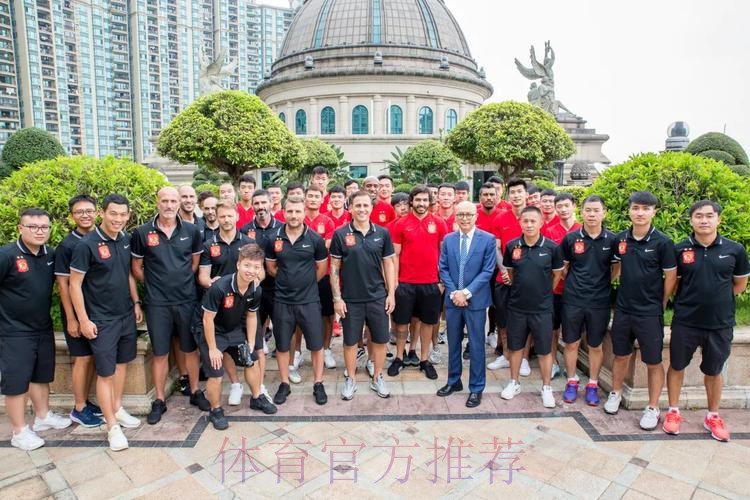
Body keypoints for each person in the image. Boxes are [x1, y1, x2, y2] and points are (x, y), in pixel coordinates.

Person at [663, 200, 749, 441]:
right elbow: (674, 282)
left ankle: (712, 415)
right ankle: (673, 412)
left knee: (714, 370)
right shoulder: (680, 249)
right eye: (698, 216)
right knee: (677, 365)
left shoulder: (734, 250)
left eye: (709, 216)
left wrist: (716, 299)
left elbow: (739, 285)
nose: (704, 220)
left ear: (718, 219)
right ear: (691, 220)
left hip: (719, 323)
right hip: (686, 321)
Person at [69, 194, 143, 451]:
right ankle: (111, 426)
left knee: (122, 365)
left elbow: (128, 274)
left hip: (125, 315)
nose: (118, 219)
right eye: (113, 213)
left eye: (123, 214)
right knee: (106, 372)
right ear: (102, 213)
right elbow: (74, 285)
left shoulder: (125, 239)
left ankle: (117, 408)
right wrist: (83, 319)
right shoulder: (86, 245)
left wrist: (135, 302)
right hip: (101, 320)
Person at [131, 187, 209, 425]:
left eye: (173, 201)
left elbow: (194, 264)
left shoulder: (192, 231)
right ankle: (159, 399)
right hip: (157, 304)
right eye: (164, 200)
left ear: (178, 203)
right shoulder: (142, 232)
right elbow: (136, 268)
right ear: (157, 202)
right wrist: (156, 285)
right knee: (160, 352)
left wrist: (180, 281)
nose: (169, 205)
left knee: (190, 349)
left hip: (186, 300)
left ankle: (195, 391)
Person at [1, 208, 71, 451]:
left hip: (42, 326)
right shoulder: (7, 255)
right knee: (17, 382)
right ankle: (19, 431)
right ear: (20, 228)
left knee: (41, 375)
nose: (40, 231)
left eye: (44, 227)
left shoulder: (50, 254)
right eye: (33, 227)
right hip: (13, 331)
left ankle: (42, 417)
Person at [607, 191, 677, 431]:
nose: (640, 213)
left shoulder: (663, 242)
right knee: (620, 355)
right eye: (636, 208)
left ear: (653, 212)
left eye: (645, 209)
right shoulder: (621, 239)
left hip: (649, 312)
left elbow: (670, 277)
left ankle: (653, 406)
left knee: (653, 361)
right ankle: (615, 393)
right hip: (623, 309)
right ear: (629, 210)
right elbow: (616, 266)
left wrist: (662, 302)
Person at [199, 244, 277, 430]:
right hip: (212, 330)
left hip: (232, 329)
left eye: (256, 267)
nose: (251, 271)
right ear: (238, 264)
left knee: (251, 360)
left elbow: (251, 316)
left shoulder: (255, 289)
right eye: (247, 265)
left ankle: (257, 397)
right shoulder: (219, 287)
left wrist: (251, 342)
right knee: (216, 373)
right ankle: (215, 410)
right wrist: (213, 349)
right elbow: (207, 319)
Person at [330, 191, 396, 400]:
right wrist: (337, 298)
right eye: (357, 205)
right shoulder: (340, 234)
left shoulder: (382, 233)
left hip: (377, 296)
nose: (362, 209)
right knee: (350, 341)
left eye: (366, 205)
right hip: (351, 299)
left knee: (380, 339)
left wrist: (391, 294)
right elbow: (334, 268)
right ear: (350, 208)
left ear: (371, 208)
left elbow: (389, 264)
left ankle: (377, 377)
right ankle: (350, 378)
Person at [265, 196, 329, 405]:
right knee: (283, 345)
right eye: (290, 211)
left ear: (304, 213)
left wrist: (305, 282)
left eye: (298, 211)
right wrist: (287, 280)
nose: (294, 215)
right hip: (282, 301)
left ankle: (318, 383)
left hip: (309, 301)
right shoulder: (273, 238)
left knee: (316, 345)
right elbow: (271, 268)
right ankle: (284, 383)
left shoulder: (315, 239)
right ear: (283, 212)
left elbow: (322, 269)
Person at [500, 206, 563, 408]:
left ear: (541, 223)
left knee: (544, 350)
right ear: (520, 222)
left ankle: (546, 387)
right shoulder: (512, 246)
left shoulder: (552, 248)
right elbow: (511, 273)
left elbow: (557, 275)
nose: (529, 225)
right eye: (525, 221)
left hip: (542, 309)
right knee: (515, 347)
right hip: (517, 307)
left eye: (533, 221)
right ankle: (514, 382)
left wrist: (543, 292)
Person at [559, 195, 618, 406]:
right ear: (581, 212)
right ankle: (571, 381)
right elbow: (564, 269)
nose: (592, 214)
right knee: (571, 342)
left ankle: (592, 384)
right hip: (573, 300)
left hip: (599, 301)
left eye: (596, 210)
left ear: (604, 213)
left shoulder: (612, 240)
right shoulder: (570, 239)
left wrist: (601, 284)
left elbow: (616, 269)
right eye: (588, 210)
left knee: (595, 345)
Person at [437, 201, 496, 407]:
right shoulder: (449, 239)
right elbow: (443, 268)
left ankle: (476, 388)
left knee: (477, 345)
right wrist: (455, 292)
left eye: (468, 214)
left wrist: (466, 292)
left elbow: (487, 271)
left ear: (475, 216)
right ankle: (454, 381)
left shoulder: (487, 239)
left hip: (475, 301)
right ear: (455, 216)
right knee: (453, 342)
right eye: (460, 214)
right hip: (453, 300)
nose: (464, 218)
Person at [197, 201, 255, 406]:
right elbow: (203, 276)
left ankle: (257, 392)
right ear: (217, 217)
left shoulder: (248, 243)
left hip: (244, 304)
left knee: (254, 350)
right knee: (223, 348)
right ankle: (233, 386)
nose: (226, 219)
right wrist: (212, 283)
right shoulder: (208, 245)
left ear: (237, 216)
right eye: (222, 216)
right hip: (219, 306)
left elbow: (260, 272)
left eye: (230, 215)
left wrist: (253, 282)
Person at [388, 186, 448, 379]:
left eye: (425, 200)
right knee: (401, 323)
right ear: (411, 201)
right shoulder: (400, 224)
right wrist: (395, 282)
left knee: (428, 323)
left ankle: (424, 360)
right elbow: (395, 256)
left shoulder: (439, 223)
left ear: (430, 202)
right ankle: (399, 357)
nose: (421, 203)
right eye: (418, 200)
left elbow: (444, 254)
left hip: (431, 283)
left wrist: (442, 281)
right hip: (405, 283)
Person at [54, 195, 102, 427]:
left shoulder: (99, 238)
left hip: (96, 310)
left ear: (97, 212)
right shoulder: (67, 245)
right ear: (72, 216)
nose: (85, 215)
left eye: (89, 211)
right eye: (79, 212)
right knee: (82, 358)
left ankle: (85, 402)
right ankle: (79, 407)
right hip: (77, 312)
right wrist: (72, 319)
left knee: (91, 357)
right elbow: (63, 285)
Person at [239, 189, 282, 397]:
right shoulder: (245, 230)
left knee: (283, 332)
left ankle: (287, 370)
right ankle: (259, 379)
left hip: (278, 289)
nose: (260, 207)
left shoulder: (282, 228)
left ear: (271, 203)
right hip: (253, 290)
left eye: (263, 202)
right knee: (256, 335)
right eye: (256, 203)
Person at [488, 178, 528, 373]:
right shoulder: (500, 218)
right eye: (512, 192)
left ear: (526, 194)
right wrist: (504, 270)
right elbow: (497, 248)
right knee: (502, 319)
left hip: (527, 279)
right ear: (507, 195)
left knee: (526, 319)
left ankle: (524, 358)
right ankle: (505, 354)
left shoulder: (533, 217)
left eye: (520, 191)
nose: (516, 195)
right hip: (503, 277)